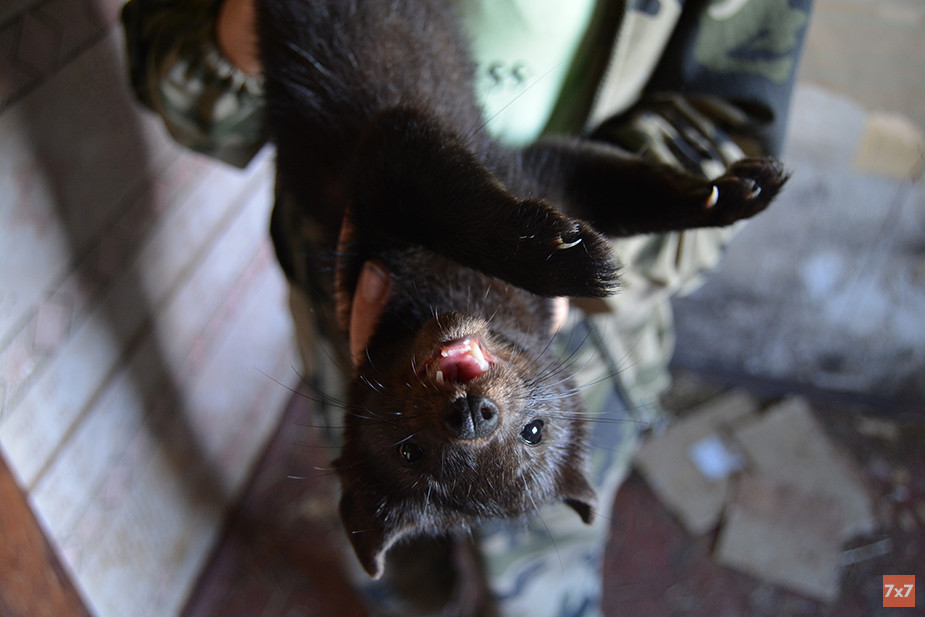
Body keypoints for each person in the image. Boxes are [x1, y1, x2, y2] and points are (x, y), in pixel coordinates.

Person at [121, 1, 813, 615]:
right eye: (531, 435)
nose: (470, 422)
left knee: (486, 577)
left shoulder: (389, 289)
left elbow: (398, 146)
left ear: (371, 437)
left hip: (342, 73)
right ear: (561, 418)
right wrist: (678, 201)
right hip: (573, 304)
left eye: (419, 448)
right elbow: (561, 176)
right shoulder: (518, 322)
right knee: (502, 575)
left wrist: (507, 235)